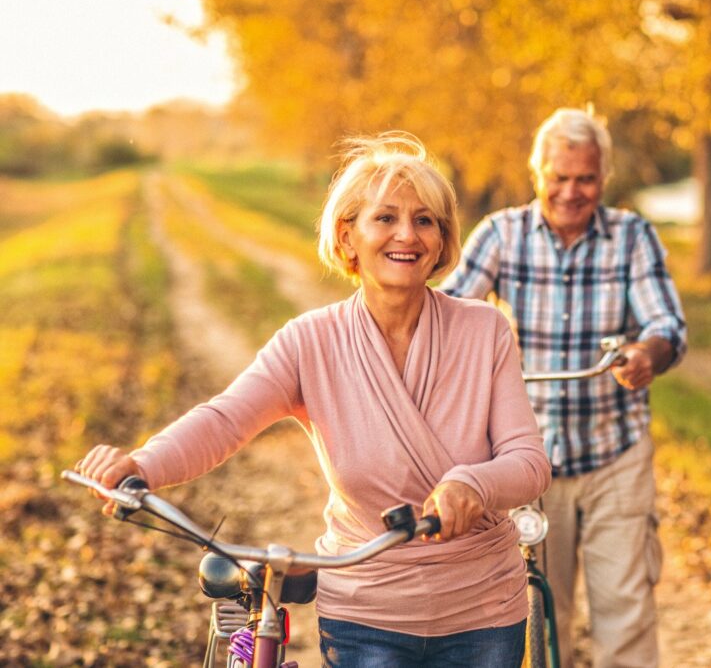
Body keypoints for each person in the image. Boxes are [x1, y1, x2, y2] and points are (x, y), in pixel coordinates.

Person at [74, 133, 551, 667]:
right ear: (348, 237)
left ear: (442, 241)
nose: (407, 235)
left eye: (425, 221)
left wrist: (474, 482)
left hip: (483, 611)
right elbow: (226, 419)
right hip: (366, 616)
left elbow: (529, 463)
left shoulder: (483, 330)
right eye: (385, 218)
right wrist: (141, 464)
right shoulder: (309, 341)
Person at [440, 108, 687, 667]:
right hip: (528, 462)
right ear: (537, 174)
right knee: (541, 621)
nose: (572, 192)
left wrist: (648, 353)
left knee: (624, 613)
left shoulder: (631, 236)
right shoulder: (501, 234)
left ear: (604, 178)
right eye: (560, 177)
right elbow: (447, 313)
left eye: (586, 179)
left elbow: (665, 324)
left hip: (613, 456)